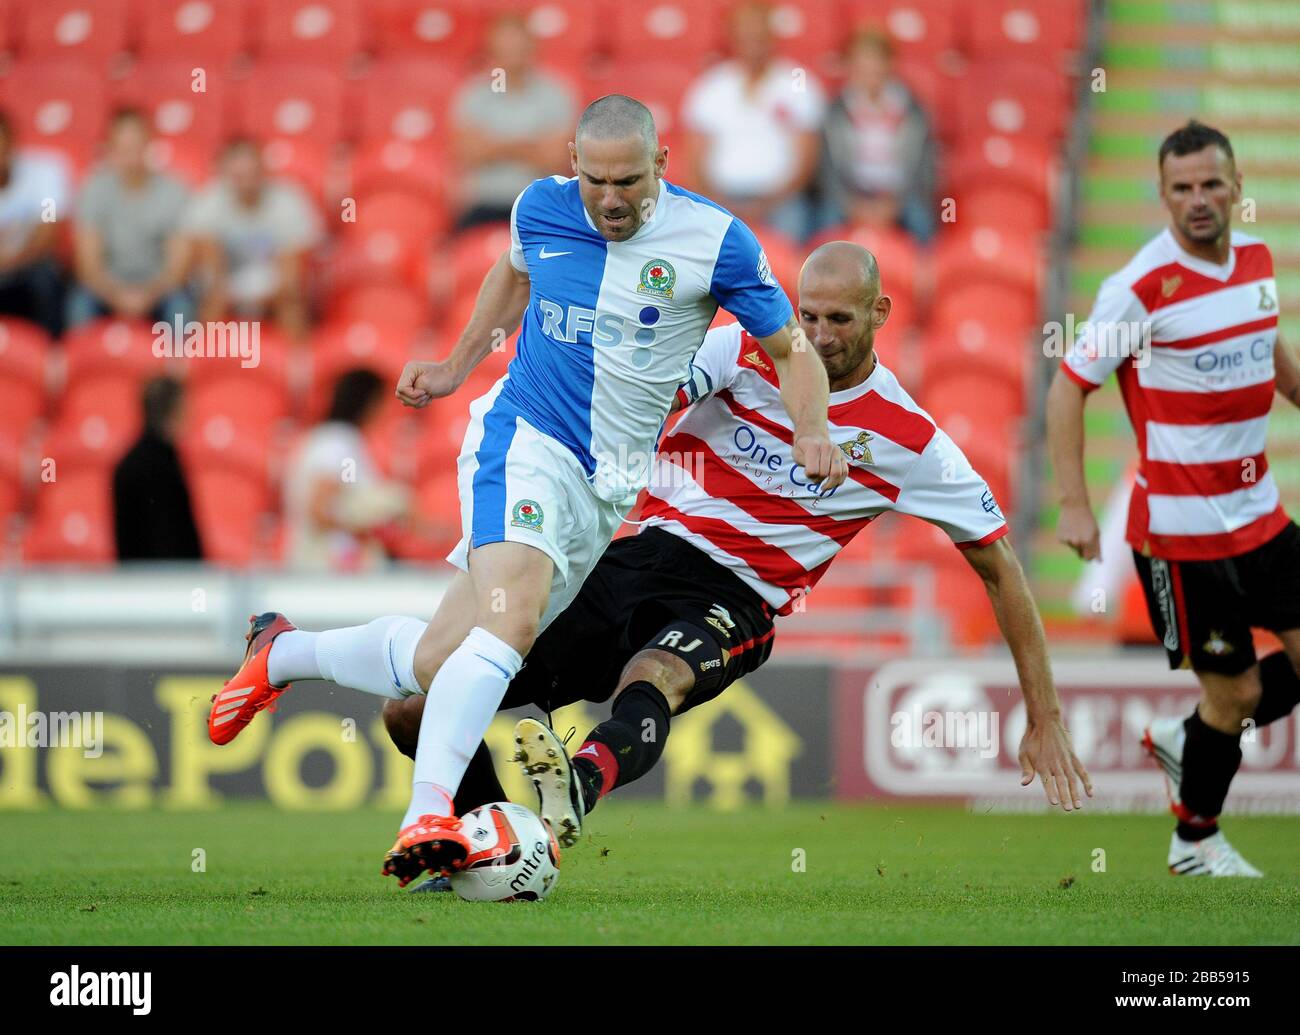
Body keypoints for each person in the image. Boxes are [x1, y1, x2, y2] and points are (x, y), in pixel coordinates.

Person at [215, 242, 1091, 893]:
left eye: (840, 320)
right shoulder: (742, 352)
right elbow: (642, 399)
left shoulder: (910, 440)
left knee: (656, 673)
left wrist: (1044, 715)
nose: (817, 336)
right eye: (809, 315)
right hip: (631, 557)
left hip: (738, 597)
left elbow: (1001, 567)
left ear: (882, 314)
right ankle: (479, 845)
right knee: (413, 708)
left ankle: (576, 790)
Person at [207, 95, 847, 886]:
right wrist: (453, 365)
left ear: (663, 164)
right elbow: (511, 277)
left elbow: (791, 350)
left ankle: (282, 652)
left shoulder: (716, 241)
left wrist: (812, 428)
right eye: (595, 179)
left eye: (628, 181)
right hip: (525, 438)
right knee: (508, 631)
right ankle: (428, 815)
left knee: (441, 660)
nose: (611, 199)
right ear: (572, 163)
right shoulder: (541, 207)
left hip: (604, 491)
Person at [1047, 120, 1300, 877]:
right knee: (1239, 692)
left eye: (1211, 184)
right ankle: (1194, 841)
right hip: (1181, 532)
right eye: (1182, 187)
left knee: (1238, 699)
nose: (1198, 199)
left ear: (1237, 188)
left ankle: (1191, 736)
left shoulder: (1256, 259)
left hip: (1260, 514)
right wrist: (1075, 503)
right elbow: (1068, 388)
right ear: (1160, 194)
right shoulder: (1137, 289)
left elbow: (1271, 353)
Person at [681, 1, 826, 242]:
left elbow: (807, 159)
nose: (753, 45)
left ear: (772, 37)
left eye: (760, 36)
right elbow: (696, 159)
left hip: (781, 202)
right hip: (723, 198)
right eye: (746, 36)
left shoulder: (796, 80)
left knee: (794, 226)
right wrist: (718, 202)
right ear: (733, 38)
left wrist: (767, 204)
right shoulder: (712, 85)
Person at [183, 138, 321, 340]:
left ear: (263, 171)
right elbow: (210, 268)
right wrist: (227, 294)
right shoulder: (208, 202)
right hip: (226, 287)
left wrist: (261, 298)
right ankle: (205, 364)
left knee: (292, 306)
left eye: (252, 173)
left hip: (275, 287)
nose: (246, 182)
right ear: (224, 175)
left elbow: (291, 275)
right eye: (239, 175)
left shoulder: (289, 200)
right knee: (211, 304)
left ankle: (298, 367)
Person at [67, 108, 193, 329]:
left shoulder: (175, 191)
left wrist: (145, 296)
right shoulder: (93, 189)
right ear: (110, 149)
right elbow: (88, 266)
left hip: (158, 288)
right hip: (107, 287)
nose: (131, 155)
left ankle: (179, 364)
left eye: (137, 146)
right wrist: (119, 296)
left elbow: (177, 269)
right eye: (123, 148)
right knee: (79, 306)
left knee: (181, 308)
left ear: (149, 145)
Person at [450, 11, 576, 229]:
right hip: (484, 204)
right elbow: (469, 153)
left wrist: (495, 145)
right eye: (504, 48)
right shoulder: (473, 94)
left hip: (540, 204)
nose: (511, 55)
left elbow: (554, 159)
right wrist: (530, 146)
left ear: (532, 48)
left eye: (517, 47)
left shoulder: (557, 94)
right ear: (490, 50)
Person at [283, 369, 411, 571]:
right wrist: (364, 528)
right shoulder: (339, 443)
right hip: (329, 570)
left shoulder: (333, 441)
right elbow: (321, 506)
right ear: (369, 403)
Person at [821, 29, 937, 242]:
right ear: (850, 66)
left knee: (921, 220)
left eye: (876, 62)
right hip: (850, 196)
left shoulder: (913, 111)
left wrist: (893, 205)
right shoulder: (835, 112)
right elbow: (828, 172)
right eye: (862, 63)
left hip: (900, 197)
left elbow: (924, 170)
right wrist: (853, 206)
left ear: (889, 65)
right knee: (825, 221)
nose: (870, 71)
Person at [112, 376, 203, 561]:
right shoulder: (165, 466)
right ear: (175, 411)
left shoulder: (126, 464)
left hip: (138, 582)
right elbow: (173, 539)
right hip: (166, 582)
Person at [0, 110, 70, 339]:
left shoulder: (44, 174)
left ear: (12, 144)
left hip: (30, 263)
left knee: (46, 277)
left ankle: (53, 351)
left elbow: (49, 226)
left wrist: (14, 260)